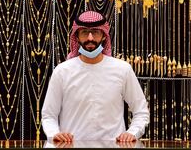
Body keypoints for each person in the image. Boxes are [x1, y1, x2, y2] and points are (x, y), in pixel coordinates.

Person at [42, 10, 149, 142]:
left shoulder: (122, 69)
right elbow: (48, 115)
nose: (90, 38)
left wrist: (132, 133)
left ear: (104, 36)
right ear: (77, 37)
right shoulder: (62, 71)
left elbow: (141, 111)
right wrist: (55, 134)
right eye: (85, 33)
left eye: (96, 32)